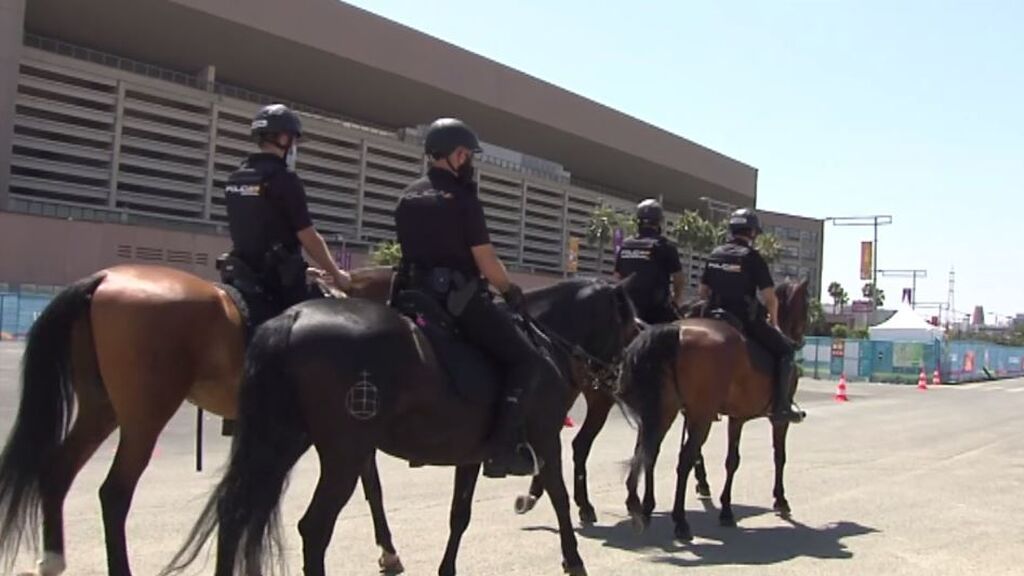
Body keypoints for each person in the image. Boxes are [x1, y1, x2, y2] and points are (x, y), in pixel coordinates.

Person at [393, 117, 541, 478]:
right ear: (457, 155)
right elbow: (485, 260)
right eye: (468, 155)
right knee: (527, 361)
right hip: (456, 301)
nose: (470, 162)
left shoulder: (407, 195)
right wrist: (509, 289)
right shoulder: (463, 198)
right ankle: (502, 449)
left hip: (411, 298)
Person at [221, 103, 351, 327]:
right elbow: (308, 236)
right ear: (282, 139)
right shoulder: (284, 179)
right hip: (277, 282)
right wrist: (337, 274)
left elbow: (256, 229)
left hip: (240, 273)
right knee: (331, 324)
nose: (294, 146)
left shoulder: (236, 177)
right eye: (293, 139)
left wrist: (302, 266)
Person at [699, 208, 804, 423]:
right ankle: (782, 405)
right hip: (742, 318)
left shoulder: (715, 253)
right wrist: (774, 323)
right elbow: (770, 298)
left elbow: (703, 291)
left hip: (712, 316)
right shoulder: (752, 257)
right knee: (786, 351)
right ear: (753, 233)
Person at [613, 199, 686, 324]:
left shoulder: (626, 244)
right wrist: (675, 300)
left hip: (627, 310)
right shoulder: (666, 246)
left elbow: (617, 276)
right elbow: (678, 279)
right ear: (659, 222)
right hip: (657, 313)